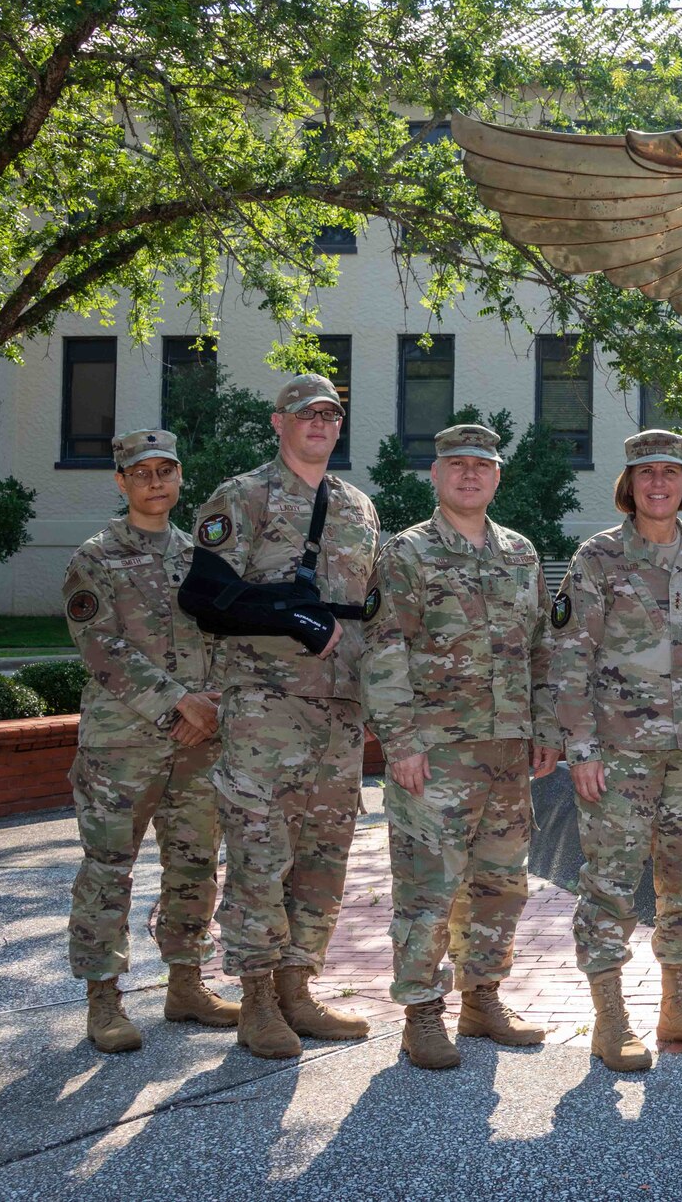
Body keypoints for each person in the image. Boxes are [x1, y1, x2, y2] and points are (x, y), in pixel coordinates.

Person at [190, 373, 380, 1060]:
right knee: (260, 857)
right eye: (306, 414)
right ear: (279, 423)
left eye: (330, 413)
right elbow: (205, 593)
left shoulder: (358, 506)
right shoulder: (243, 495)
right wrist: (290, 615)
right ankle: (258, 998)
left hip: (340, 714)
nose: (319, 424)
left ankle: (300, 985)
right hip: (264, 711)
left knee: (325, 859)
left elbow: (372, 610)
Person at [364, 424, 562, 1071]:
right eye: (458, 464)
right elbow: (384, 649)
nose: (470, 474)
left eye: (482, 464)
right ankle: (422, 1011)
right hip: (437, 751)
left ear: (497, 476)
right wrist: (401, 741)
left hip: (506, 753)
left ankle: (482, 996)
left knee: (500, 884)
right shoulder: (406, 554)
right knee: (429, 886)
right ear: (436, 475)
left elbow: (539, 648)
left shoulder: (519, 552)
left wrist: (542, 729)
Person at [552, 430, 682, 1072]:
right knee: (609, 882)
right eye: (645, 474)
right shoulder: (598, 558)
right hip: (619, 754)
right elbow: (570, 655)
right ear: (628, 486)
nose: (658, 484)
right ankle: (610, 1020)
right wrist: (581, 749)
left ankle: (678, 1010)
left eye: (670, 473)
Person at [61, 428, 237, 1053]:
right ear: (121, 482)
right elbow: (99, 646)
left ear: (180, 478)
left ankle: (186, 983)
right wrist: (178, 702)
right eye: (142, 473)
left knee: (193, 864)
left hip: (197, 742)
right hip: (122, 745)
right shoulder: (95, 557)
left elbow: (227, 637)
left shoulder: (202, 558)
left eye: (166, 470)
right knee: (109, 868)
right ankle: (103, 997)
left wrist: (209, 706)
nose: (155, 482)